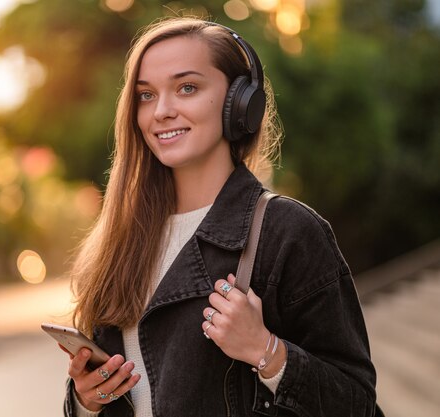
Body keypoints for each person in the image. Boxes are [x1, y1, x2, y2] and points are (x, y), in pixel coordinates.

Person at [59, 17, 378, 417]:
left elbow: (358, 404)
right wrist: (87, 400)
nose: (161, 111)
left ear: (239, 103)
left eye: (187, 88)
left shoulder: (287, 232)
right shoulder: (121, 238)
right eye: (145, 95)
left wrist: (267, 351)